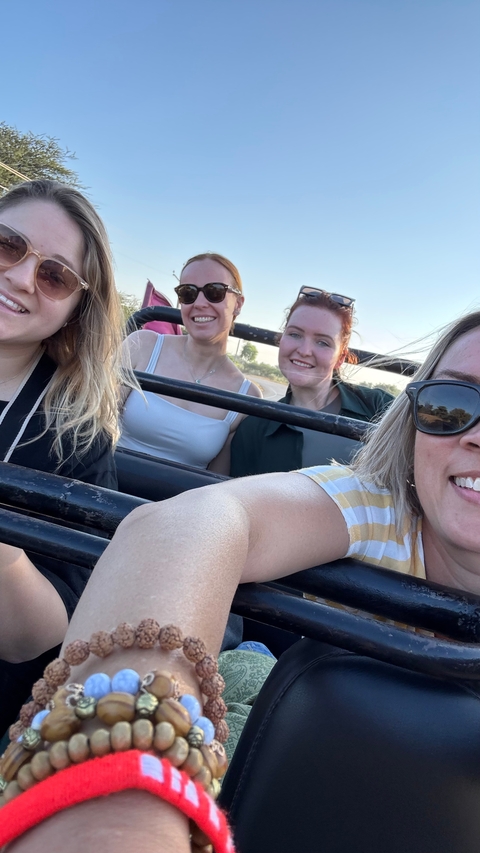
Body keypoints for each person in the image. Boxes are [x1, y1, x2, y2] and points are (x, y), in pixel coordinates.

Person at [5, 309, 480, 851]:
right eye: (454, 405)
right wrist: (126, 764)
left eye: (322, 342)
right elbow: (198, 520)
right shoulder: (383, 507)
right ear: (416, 414)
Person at [0, 179, 125, 734]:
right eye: (8, 244)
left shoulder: (75, 436)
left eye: (54, 275)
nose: (22, 277)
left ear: (77, 308)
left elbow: (37, 636)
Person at [118, 252, 262, 474]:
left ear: (238, 304)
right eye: (188, 293)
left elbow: (214, 482)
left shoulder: (246, 395)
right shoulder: (143, 346)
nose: (200, 303)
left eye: (215, 292)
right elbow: (94, 429)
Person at [231, 286, 394, 476]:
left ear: (340, 357)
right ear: (281, 339)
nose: (304, 350)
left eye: (322, 342)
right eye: (295, 334)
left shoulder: (380, 408)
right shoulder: (254, 428)